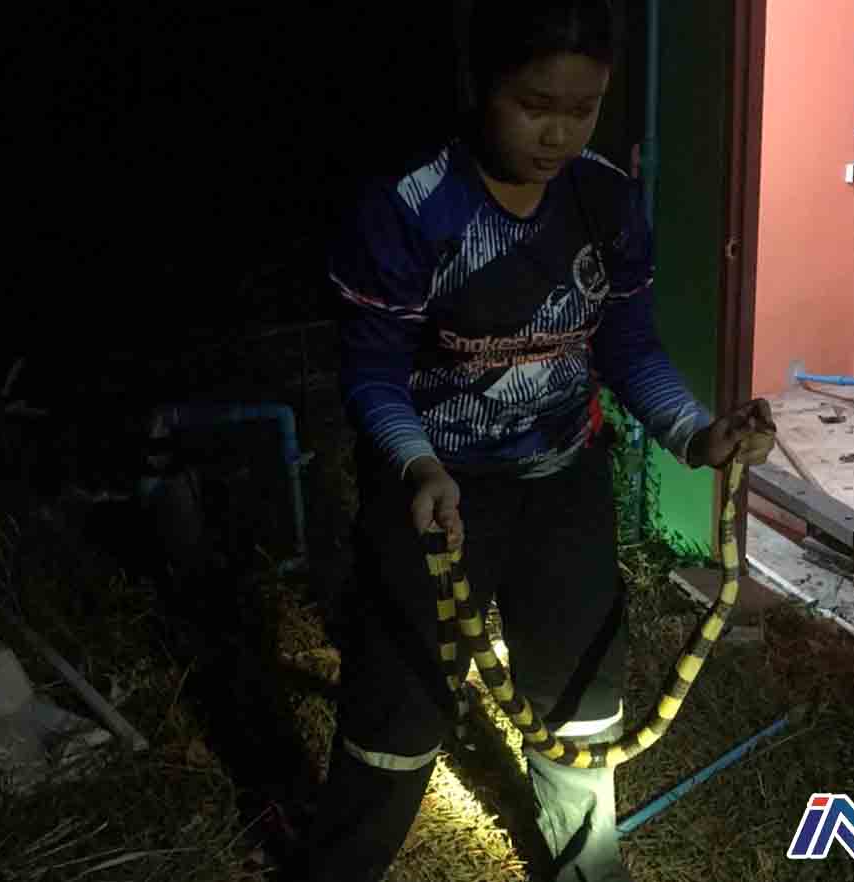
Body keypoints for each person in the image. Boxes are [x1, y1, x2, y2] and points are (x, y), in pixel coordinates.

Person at [294, 1, 776, 880]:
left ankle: (587, 862)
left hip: (563, 480)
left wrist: (695, 431)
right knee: (401, 698)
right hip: (434, 491)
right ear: (480, 85)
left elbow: (628, 346)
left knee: (582, 685)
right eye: (534, 105)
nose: (558, 134)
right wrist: (418, 465)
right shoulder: (411, 207)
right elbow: (371, 372)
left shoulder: (606, 200)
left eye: (583, 109)